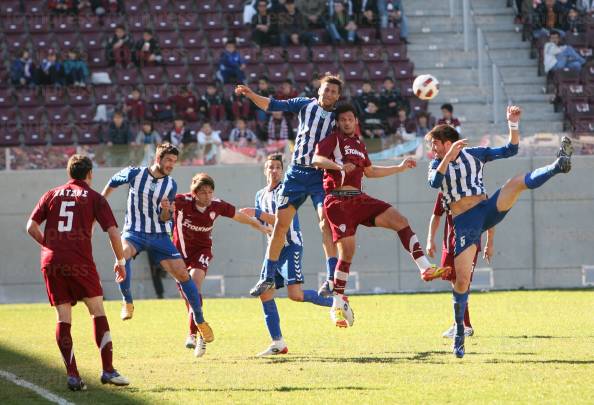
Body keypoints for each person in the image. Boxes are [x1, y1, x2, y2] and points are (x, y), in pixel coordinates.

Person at [426, 106, 573, 358]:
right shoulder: (437, 164)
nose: (433, 149)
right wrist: (447, 157)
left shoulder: (475, 154)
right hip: (463, 223)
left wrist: (512, 124)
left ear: (446, 141)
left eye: (435, 144)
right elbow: (434, 183)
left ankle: (557, 165)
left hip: (485, 209)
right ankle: (460, 333)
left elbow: (510, 149)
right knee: (461, 281)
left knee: (516, 182)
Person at [312, 104, 449, 326]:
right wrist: (338, 166)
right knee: (347, 253)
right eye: (343, 119)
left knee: (400, 221)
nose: (347, 122)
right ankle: (337, 305)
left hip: (360, 198)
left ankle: (424, 268)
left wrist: (400, 167)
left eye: (350, 119)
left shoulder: (359, 144)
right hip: (337, 200)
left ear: (355, 121)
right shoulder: (333, 139)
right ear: (338, 122)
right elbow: (316, 160)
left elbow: (371, 171)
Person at [234, 74, 343, 301]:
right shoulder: (305, 104)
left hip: (319, 176)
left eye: (334, 91)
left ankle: (332, 276)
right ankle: (267, 275)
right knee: (280, 226)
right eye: (326, 89)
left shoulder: (339, 117)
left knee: (326, 222)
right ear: (319, 90)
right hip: (295, 175)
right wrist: (251, 94)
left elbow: (351, 137)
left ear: (338, 96)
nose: (329, 93)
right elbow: (273, 105)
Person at [26, 155, 130, 391]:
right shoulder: (95, 198)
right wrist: (120, 261)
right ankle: (108, 370)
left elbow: (30, 227)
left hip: (52, 261)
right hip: (80, 261)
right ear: (90, 174)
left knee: (63, 318)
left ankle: (73, 375)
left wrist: (49, 247)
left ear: (69, 173)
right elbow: (114, 233)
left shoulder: (51, 194)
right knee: (97, 311)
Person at [101, 144, 214, 346]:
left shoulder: (171, 185)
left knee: (182, 274)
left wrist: (166, 211)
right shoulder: (135, 173)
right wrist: (100, 203)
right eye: (168, 160)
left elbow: (165, 217)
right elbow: (112, 182)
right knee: (122, 254)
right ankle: (127, 301)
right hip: (134, 232)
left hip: (159, 235)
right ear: (158, 159)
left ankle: (199, 319)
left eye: (174, 161)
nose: (171, 165)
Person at [240, 154, 336, 355]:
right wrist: (259, 225)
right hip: (274, 250)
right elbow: (267, 224)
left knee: (296, 295)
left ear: (283, 171)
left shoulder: (287, 190)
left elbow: (280, 221)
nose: (274, 170)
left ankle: (336, 303)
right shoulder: (260, 194)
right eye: (270, 167)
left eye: (277, 167)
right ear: (265, 170)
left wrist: (255, 213)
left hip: (291, 245)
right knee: (265, 294)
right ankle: (278, 343)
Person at [172, 173, 269, 357]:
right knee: (188, 296)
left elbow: (238, 215)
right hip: (178, 254)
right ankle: (201, 330)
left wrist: (259, 226)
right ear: (194, 193)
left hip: (202, 251)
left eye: (210, 192)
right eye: (203, 192)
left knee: (194, 285)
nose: (207, 196)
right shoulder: (182, 201)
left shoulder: (217, 205)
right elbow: (161, 203)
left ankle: (191, 334)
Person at [426, 192, 495, 338]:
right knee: (454, 281)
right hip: (449, 245)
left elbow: (490, 219)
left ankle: (465, 325)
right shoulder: (444, 190)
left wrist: (490, 243)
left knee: (463, 281)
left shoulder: (478, 190)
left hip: (470, 242)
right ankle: (460, 324)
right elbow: (436, 215)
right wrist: (430, 239)